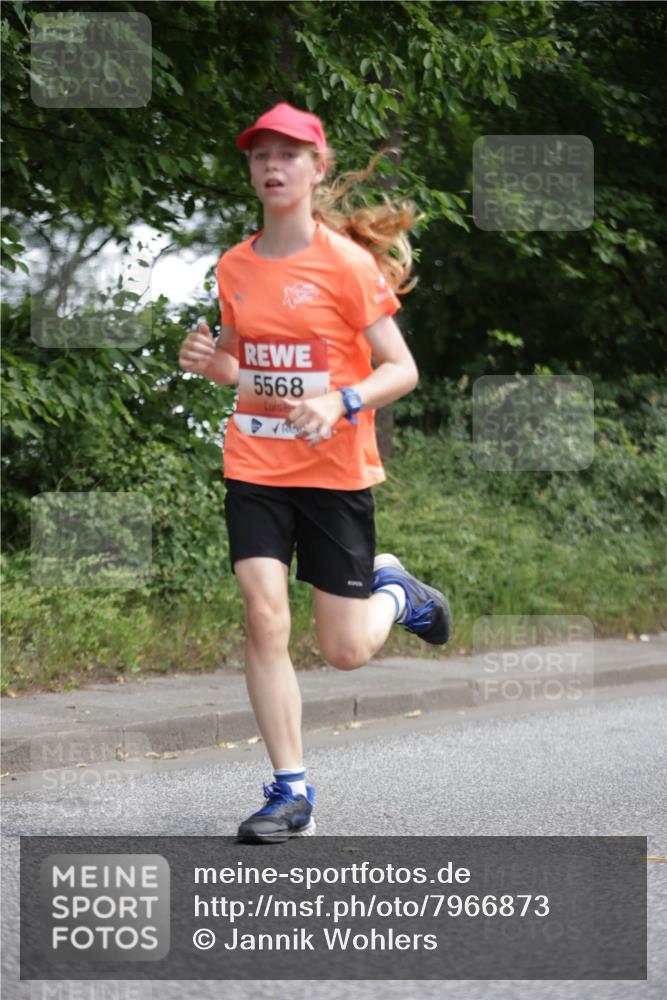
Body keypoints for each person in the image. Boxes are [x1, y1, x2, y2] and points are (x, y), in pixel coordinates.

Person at [179, 102, 452, 845]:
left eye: (289, 154)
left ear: (317, 167)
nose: (272, 166)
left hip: (333, 474)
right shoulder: (235, 266)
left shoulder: (347, 266)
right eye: (260, 155)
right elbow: (239, 367)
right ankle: (290, 790)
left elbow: (401, 369)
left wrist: (342, 399)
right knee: (263, 615)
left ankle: (395, 590)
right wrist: (210, 363)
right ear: (250, 169)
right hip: (255, 464)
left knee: (345, 651)